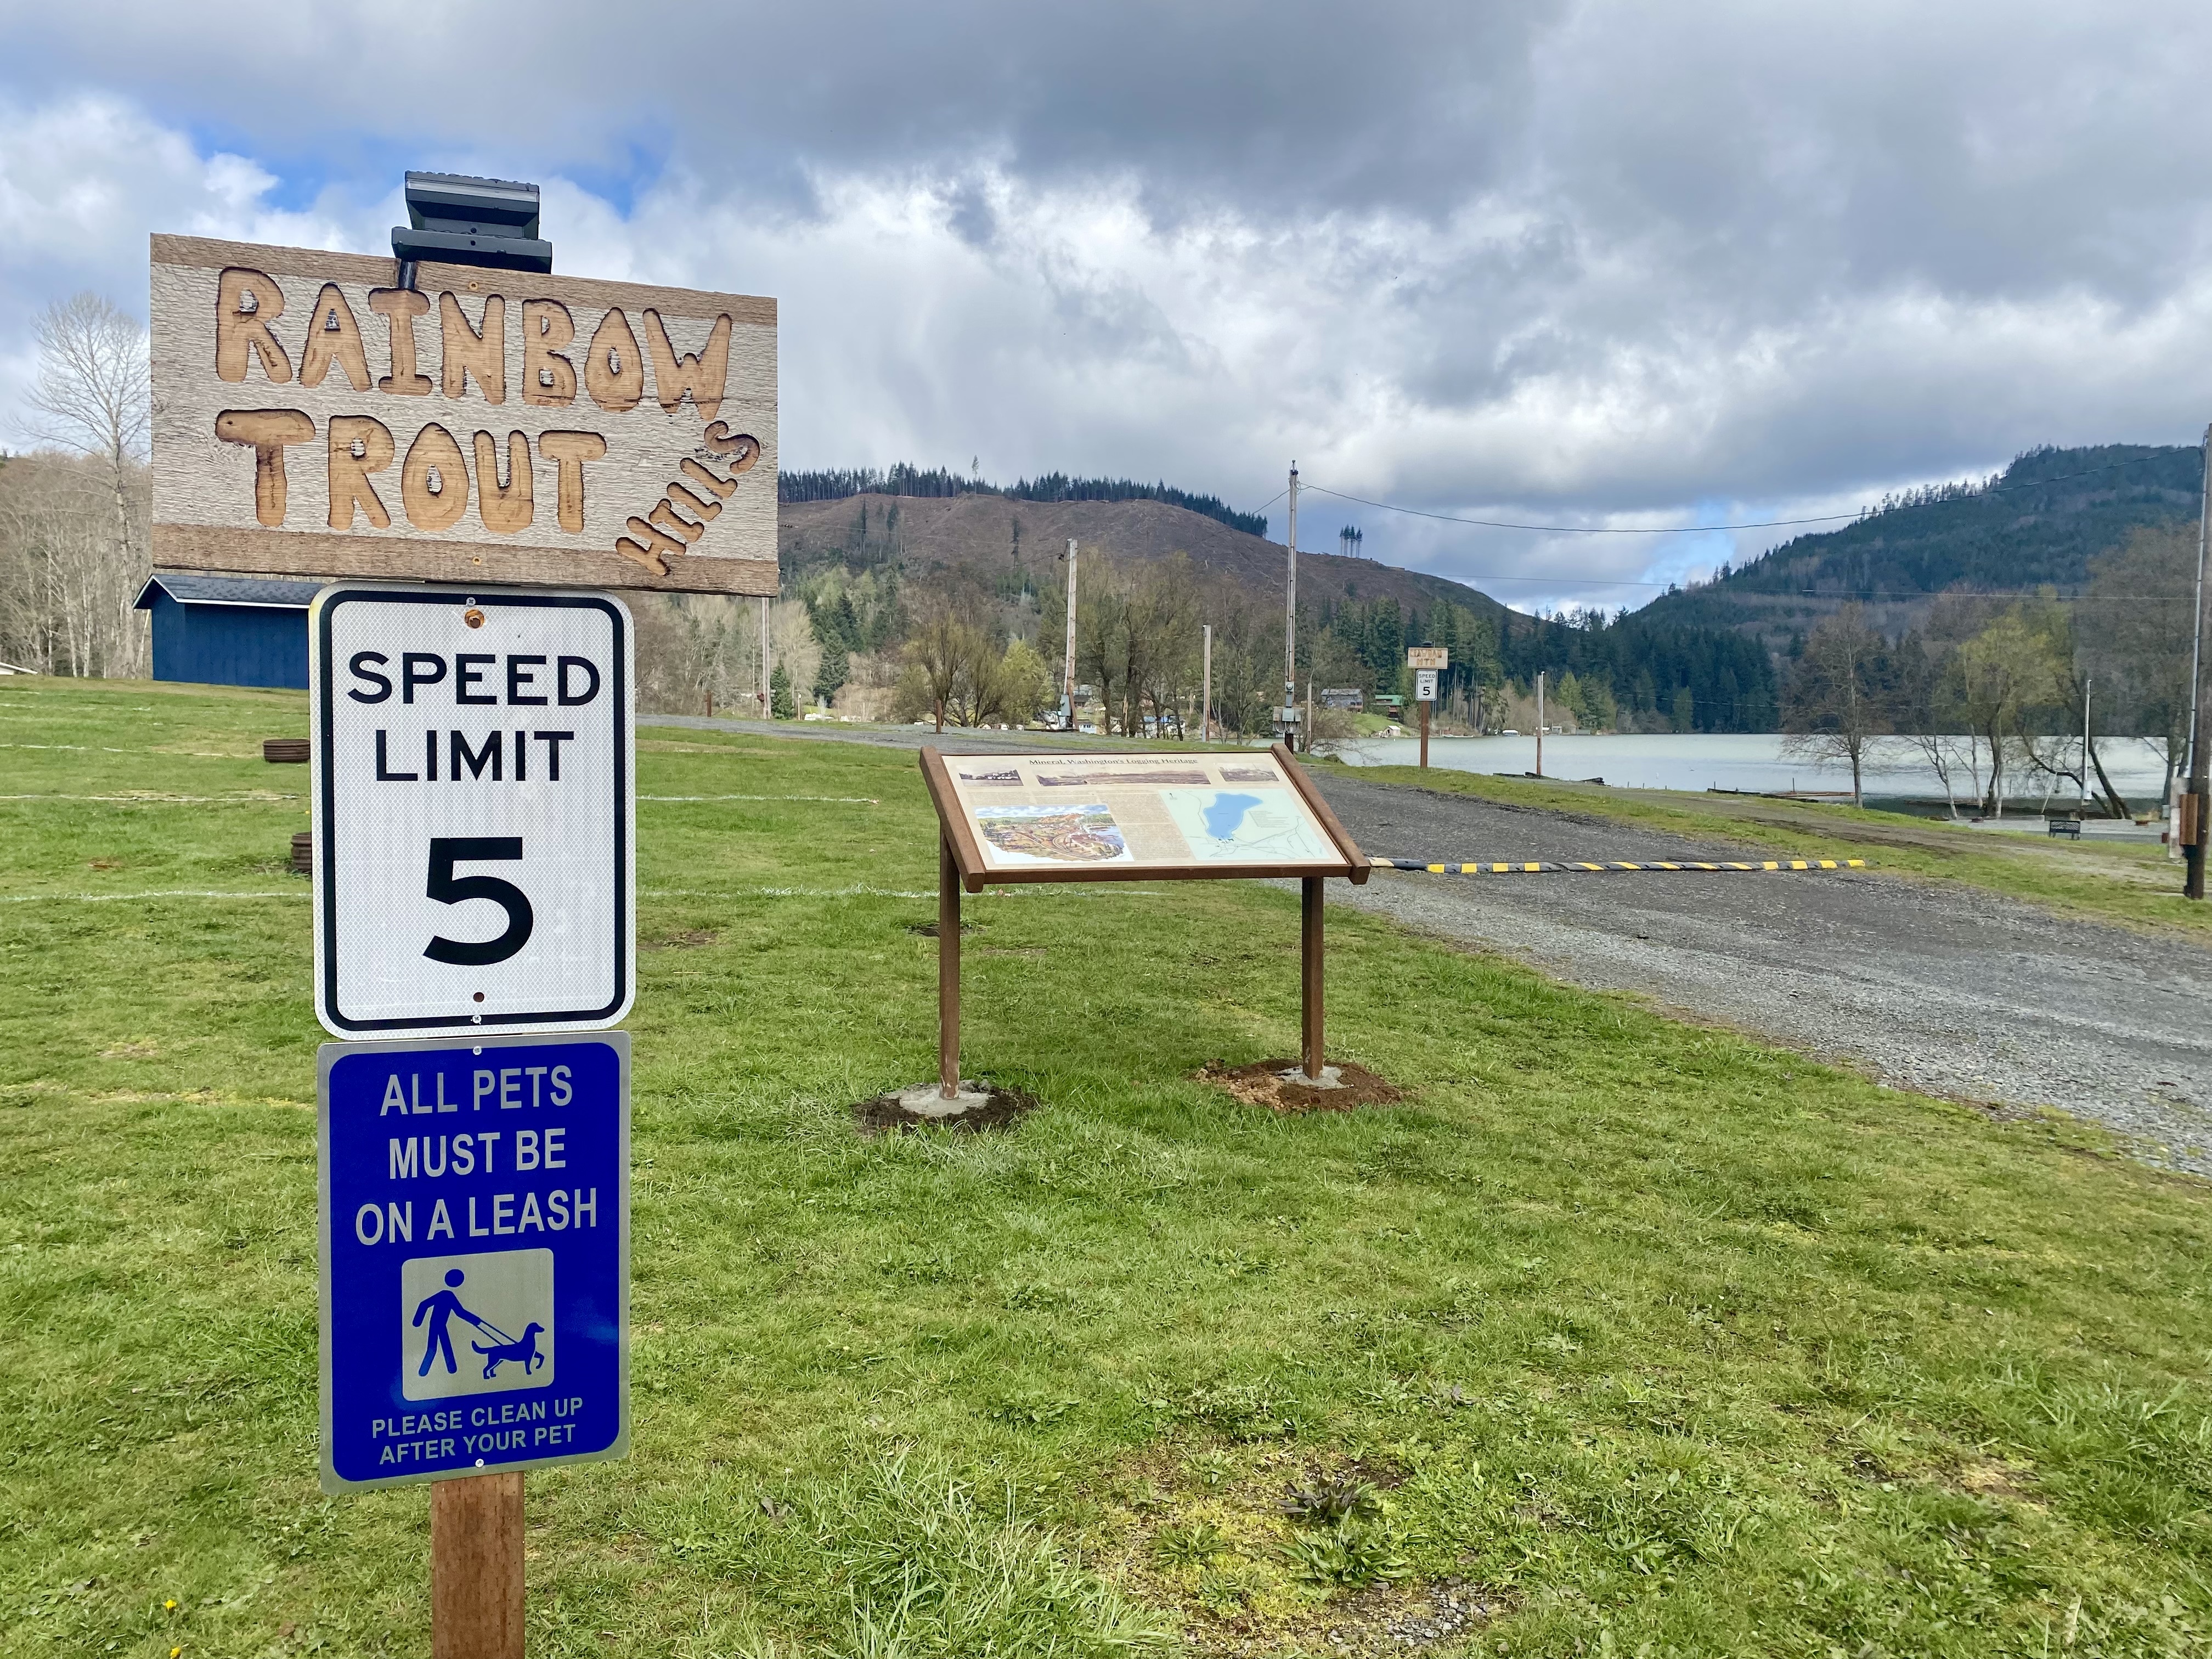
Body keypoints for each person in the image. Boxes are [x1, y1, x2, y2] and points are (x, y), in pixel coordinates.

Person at [413, 1268, 489, 1377]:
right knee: (434, 1348)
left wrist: (475, 1320)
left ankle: (448, 1369)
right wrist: (417, 1322)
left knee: (440, 1346)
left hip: (440, 1325)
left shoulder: (448, 1295)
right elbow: (424, 1304)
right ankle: (426, 1372)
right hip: (436, 1325)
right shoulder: (446, 1295)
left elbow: (459, 1312)